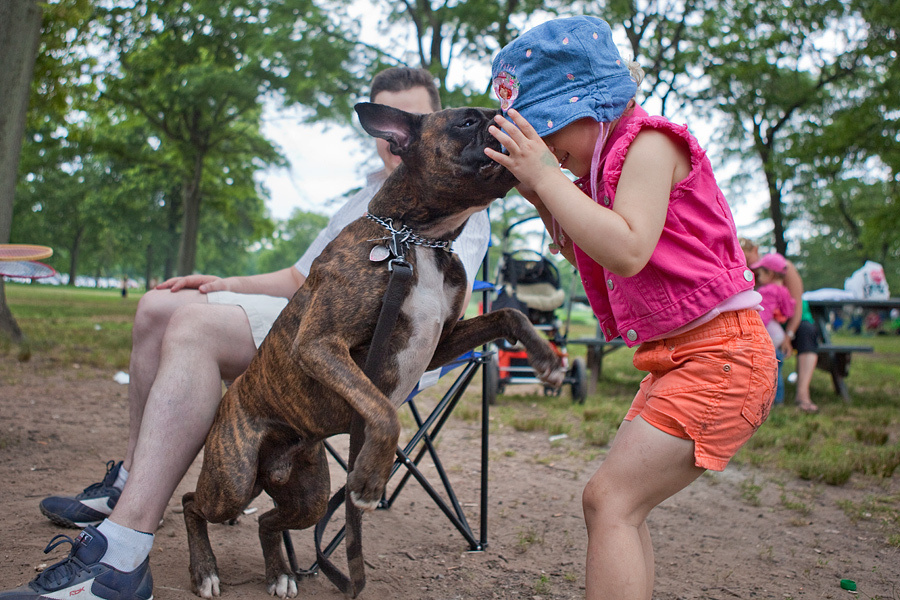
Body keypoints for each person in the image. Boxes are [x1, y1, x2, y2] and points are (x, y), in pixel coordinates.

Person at [0, 67, 490, 600]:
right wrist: (220, 283)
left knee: (194, 326)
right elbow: (299, 278)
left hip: (359, 354)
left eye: (417, 119)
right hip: (312, 322)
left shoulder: (457, 198)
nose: (402, 137)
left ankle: (123, 547)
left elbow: (423, 316)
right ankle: (131, 479)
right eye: (392, 126)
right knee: (158, 306)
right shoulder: (367, 196)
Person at [484, 16, 777, 600]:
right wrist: (547, 198)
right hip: (683, 357)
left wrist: (548, 176)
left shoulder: (649, 144)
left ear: (590, 104)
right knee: (616, 506)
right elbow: (583, 247)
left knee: (611, 500)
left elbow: (627, 250)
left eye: (548, 133)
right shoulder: (597, 171)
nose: (547, 151)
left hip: (722, 355)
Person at [740, 238, 820, 412]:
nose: (747, 262)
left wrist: (788, 335)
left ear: (755, 249)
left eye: (747, 256)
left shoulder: (780, 266)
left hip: (793, 320)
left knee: (807, 332)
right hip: (770, 323)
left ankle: (802, 394)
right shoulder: (745, 271)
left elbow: (796, 305)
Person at [751, 252, 796, 405]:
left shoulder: (767, 290)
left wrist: (754, 329)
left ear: (770, 273)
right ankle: (778, 400)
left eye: (761, 273)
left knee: (770, 369)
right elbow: (789, 311)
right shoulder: (784, 291)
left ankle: (773, 401)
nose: (758, 277)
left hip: (769, 332)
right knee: (777, 369)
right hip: (779, 333)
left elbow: (764, 314)